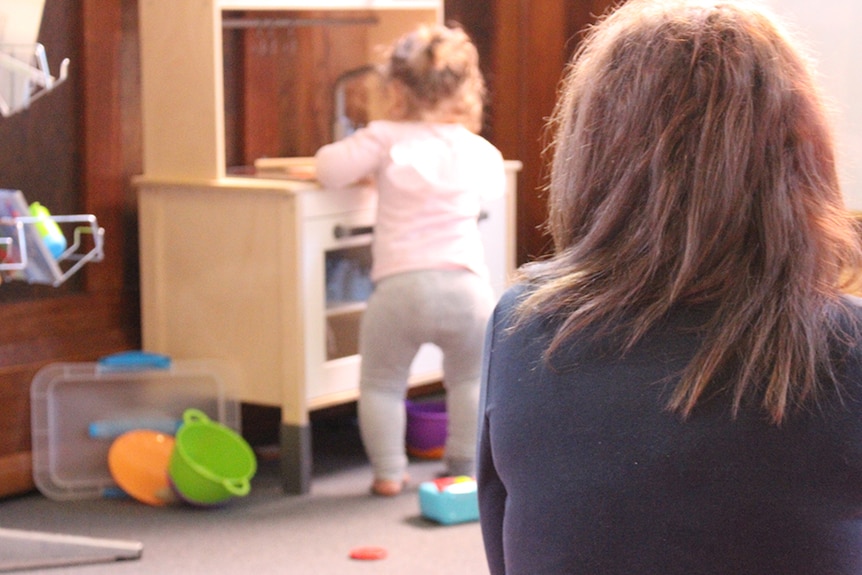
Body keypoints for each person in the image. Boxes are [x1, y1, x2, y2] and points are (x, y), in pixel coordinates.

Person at [477, 0, 862, 573]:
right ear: (796, 156)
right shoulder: (847, 345)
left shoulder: (520, 325)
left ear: (591, 151)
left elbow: (502, 544)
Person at [315, 23, 505, 496]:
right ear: (464, 90)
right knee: (467, 381)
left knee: (381, 383)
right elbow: (493, 191)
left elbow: (328, 168)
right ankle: (462, 467)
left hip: (401, 289)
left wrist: (372, 175)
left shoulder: (384, 137)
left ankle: (388, 472)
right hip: (466, 288)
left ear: (395, 88)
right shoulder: (477, 147)